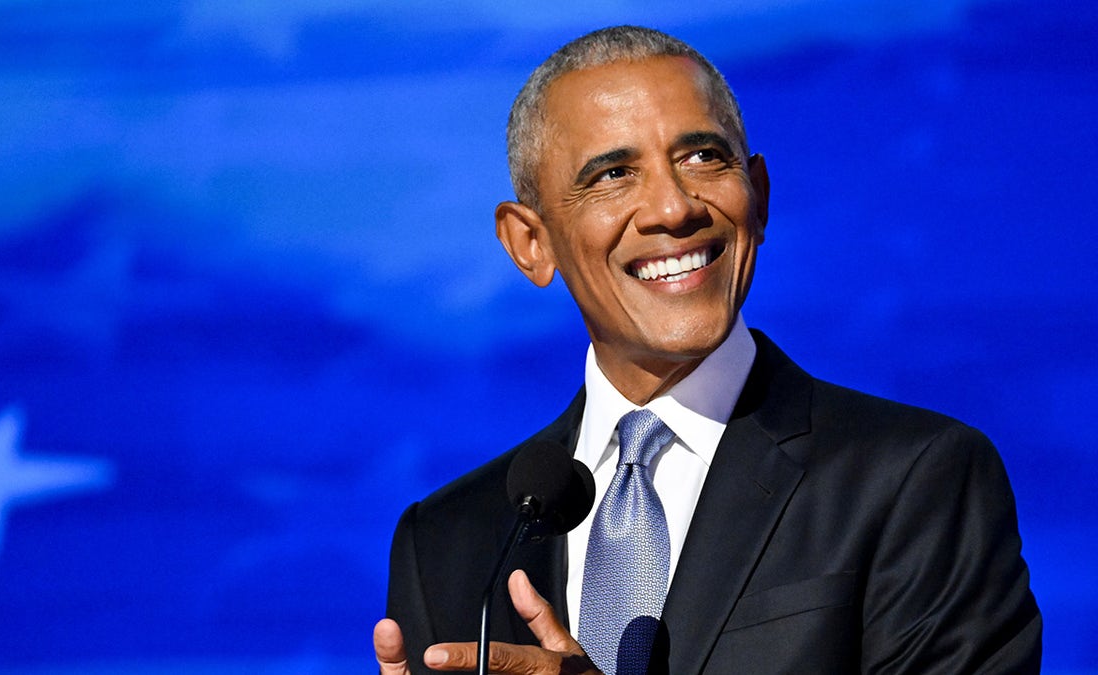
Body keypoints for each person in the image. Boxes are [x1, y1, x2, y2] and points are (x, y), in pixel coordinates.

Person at [373, 25, 1041, 674]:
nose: (673, 206)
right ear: (530, 242)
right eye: (612, 173)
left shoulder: (915, 479)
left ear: (760, 195)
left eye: (703, 157)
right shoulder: (448, 541)